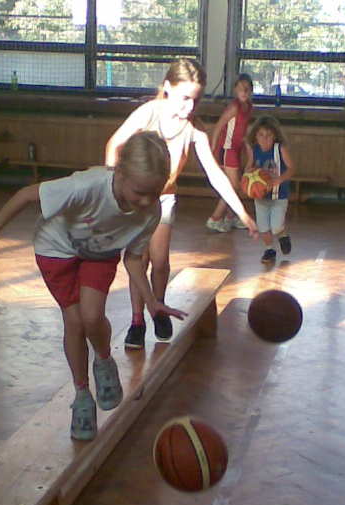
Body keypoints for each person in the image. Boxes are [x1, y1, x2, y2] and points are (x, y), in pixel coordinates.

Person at [0, 131, 186, 442]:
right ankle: (82, 395)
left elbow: (134, 258)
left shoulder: (150, 211)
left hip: (100, 253)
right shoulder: (86, 186)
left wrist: (150, 300)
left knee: (92, 317)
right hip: (56, 250)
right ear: (120, 173)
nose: (146, 201)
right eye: (140, 192)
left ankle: (104, 360)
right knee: (74, 321)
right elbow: (26, 195)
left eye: (155, 193)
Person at [105, 58, 257, 350]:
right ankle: (137, 320)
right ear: (167, 88)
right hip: (136, 199)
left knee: (160, 261)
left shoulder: (194, 129)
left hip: (163, 198)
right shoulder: (148, 113)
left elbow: (214, 172)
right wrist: (113, 189)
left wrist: (242, 212)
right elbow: (114, 145)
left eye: (196, 100)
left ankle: (159, 308)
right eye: (185, 98)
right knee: (138, 259)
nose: (190, 107)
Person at [244, 115, 295, 264]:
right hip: (261, 196)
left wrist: (279, 179)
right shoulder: (254, 150)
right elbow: (249, 167)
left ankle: (282, 235)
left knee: (276, 227)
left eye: (269, 135)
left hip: (279, 195)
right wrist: (247, 177)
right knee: (263, 228)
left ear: (275, 136)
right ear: (255, 136)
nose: (264, 139)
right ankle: (269, 250)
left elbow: (292, 168)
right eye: (261, 135)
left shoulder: (280, 149)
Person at [206, 73, 254, 232]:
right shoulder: (234, 107)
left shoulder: (249, 107)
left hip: (237, 149)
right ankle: (215, 218)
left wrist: (249, 152)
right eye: (240, 88)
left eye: (247, 88)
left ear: (251, 90)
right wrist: (212, 149)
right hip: (227, 149)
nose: (244, 91)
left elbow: (244, 132)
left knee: (234, 184)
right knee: (232, 186)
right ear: (235, 90)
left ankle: (230, 217)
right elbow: (218, 126)